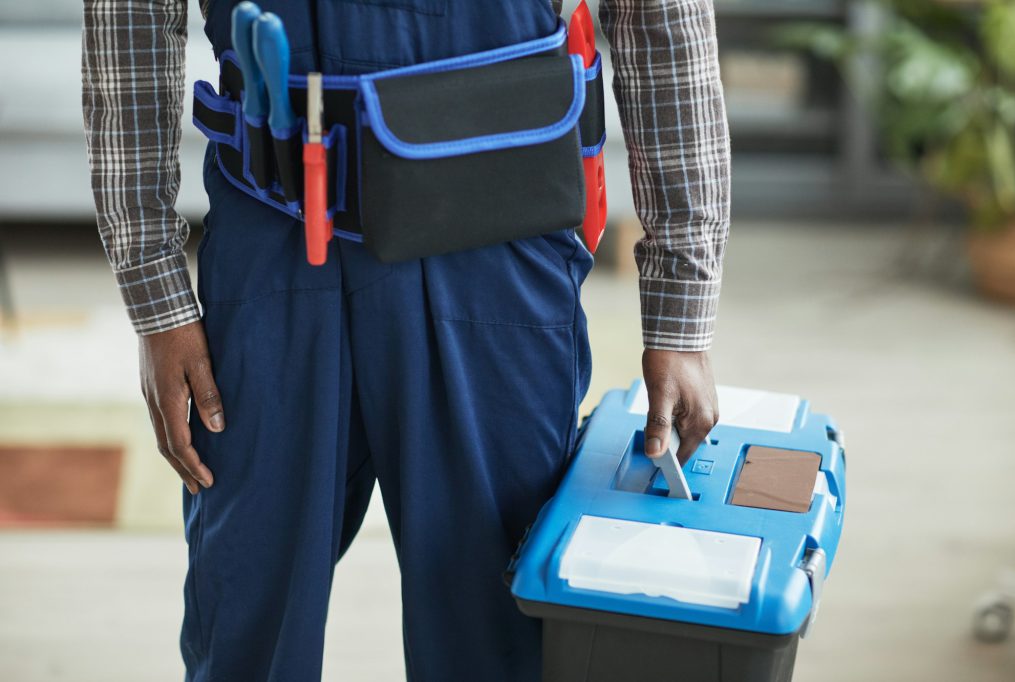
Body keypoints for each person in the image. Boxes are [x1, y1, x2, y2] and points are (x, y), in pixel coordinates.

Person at [82, 0, 730, 679]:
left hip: (492, 241)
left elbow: (659, 15)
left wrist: (681, 314)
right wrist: (154, 291)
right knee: (248, 621)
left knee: (494, 632)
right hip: (276, 240)